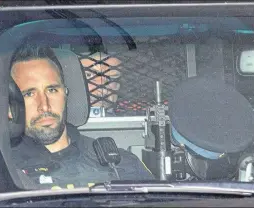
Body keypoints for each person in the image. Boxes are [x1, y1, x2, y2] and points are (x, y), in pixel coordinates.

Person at [10, 44, 154, 190]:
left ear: (66, 95)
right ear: (10, 107)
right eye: (29, 94)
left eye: (52, 90)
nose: (44, 105)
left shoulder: (122, 164)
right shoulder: (1, 171)